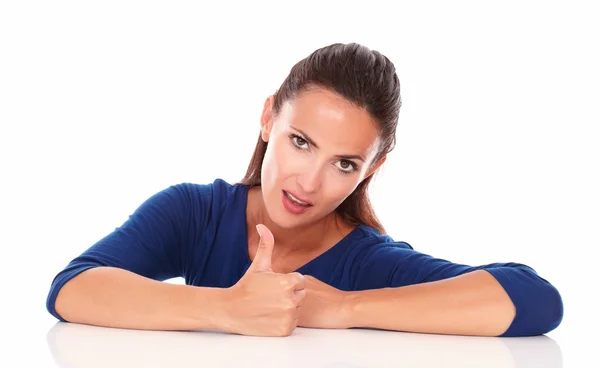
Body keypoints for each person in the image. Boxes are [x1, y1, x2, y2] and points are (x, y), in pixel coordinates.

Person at [46, 42, 563, 338]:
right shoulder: (195, 213)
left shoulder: (363, 264)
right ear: (269, 117)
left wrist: (343, 308)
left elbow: (536, 301)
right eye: (300, 142)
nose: (309, 182)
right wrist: (226, 308)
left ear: (372, 168)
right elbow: (72, 288)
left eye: (343, 163)